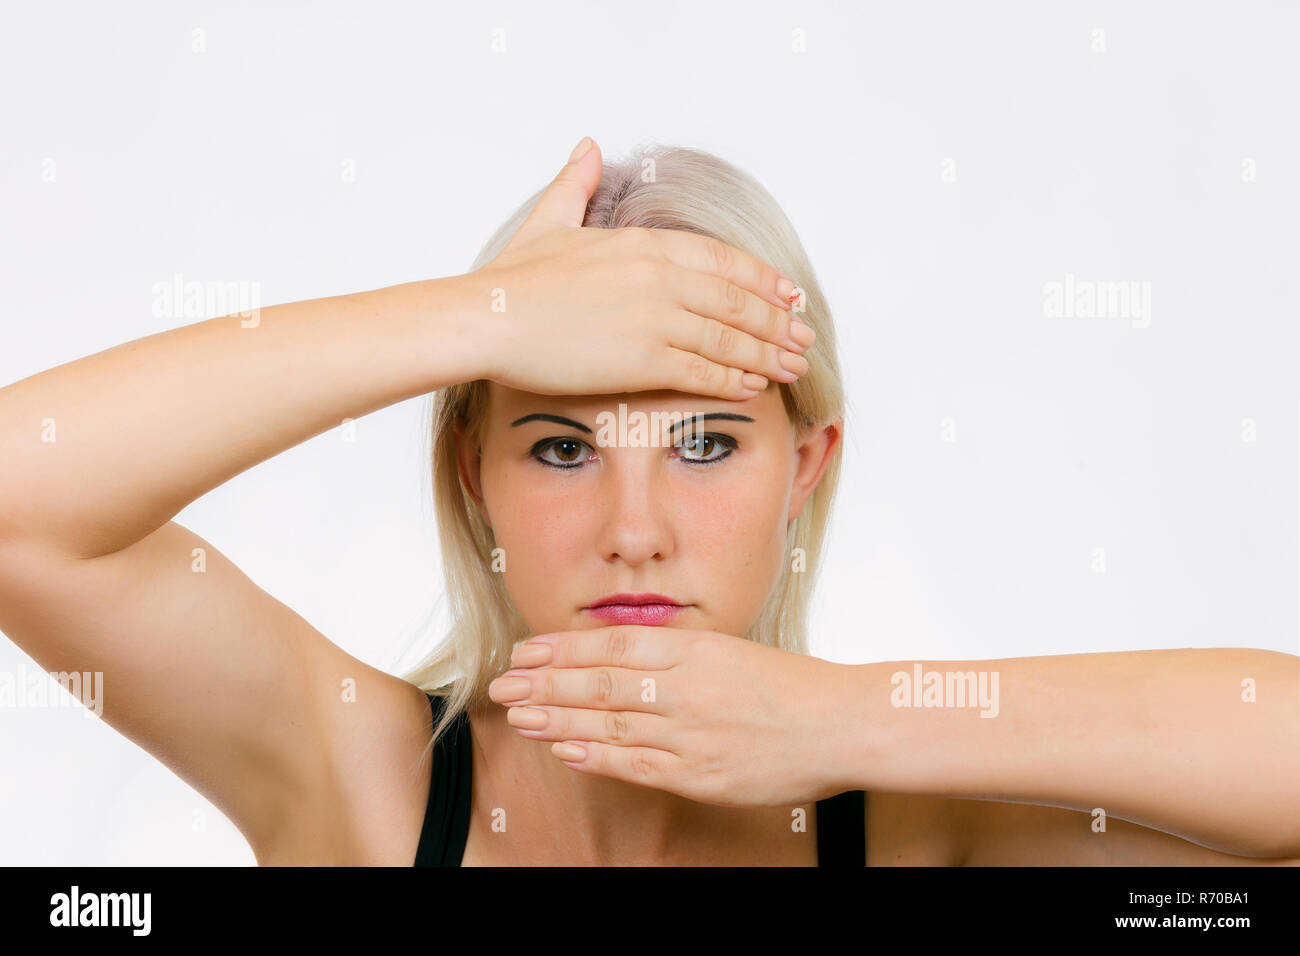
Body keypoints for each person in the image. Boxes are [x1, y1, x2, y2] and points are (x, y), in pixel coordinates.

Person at [0, 138, 1295, 866]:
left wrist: (851, 719)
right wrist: (471, 317)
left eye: (704, 444)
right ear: (473, 475)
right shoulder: (367, 791)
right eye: (562, 449)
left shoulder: (923, 828)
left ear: (807, 467)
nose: (636, 528)